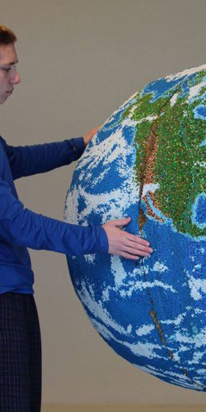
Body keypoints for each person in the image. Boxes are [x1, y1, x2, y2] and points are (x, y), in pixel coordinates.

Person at [0, 25, 152, 411]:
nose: (17, 78)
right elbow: (17, 223)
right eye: (6, 69)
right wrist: (100, 239)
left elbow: (13, 160)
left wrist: (79, 145)